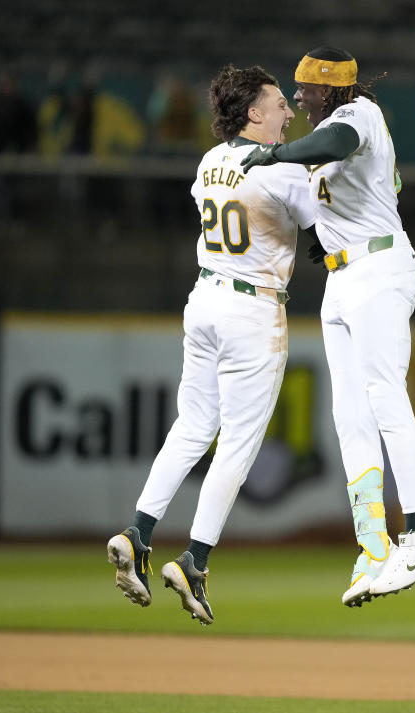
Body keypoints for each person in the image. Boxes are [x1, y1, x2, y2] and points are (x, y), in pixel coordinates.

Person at [106, 65, 314, 626]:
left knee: (192, 427)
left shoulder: (210, 160)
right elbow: (323, 224)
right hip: (253, 307)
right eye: (277, 104)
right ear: (253, 113)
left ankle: (138, 531)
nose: (288, 112)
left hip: (204, 299)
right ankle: (194, 560)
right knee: (237, 447)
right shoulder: (283, 169)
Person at [241, 46, 415, 607]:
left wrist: (275, 154)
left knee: (385, 397)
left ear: (329, 88)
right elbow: (364, 189)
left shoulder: (357, 115)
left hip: (379, 269)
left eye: (306, 89)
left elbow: (336, 144)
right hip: (345, 276)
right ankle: (374, 545)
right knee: (350, 417)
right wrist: (325, 234)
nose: (300, 97)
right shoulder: (333, 129)